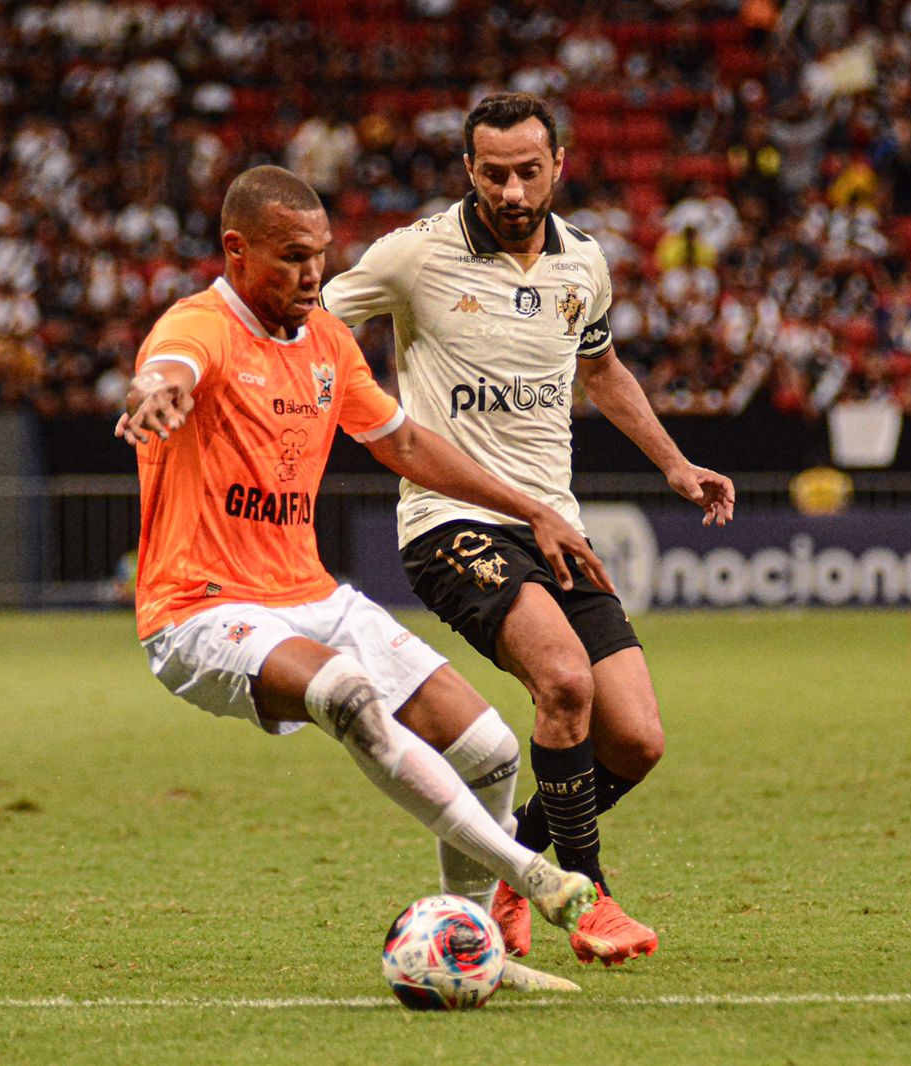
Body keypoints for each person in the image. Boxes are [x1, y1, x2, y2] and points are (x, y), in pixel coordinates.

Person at [114, 164, 609, 992]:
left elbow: (406, 446)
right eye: (291, 258)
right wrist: (155, 390)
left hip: (310, 594)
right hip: (199, 608)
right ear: (236, 252)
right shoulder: (198, 325)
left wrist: (532, 510)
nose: (314, 276)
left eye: (322, 256)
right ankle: (532, 875)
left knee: (487, 750)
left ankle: (472, 946)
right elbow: (169, 368)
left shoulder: (326, 342)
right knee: (344, 694)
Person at [321, 93, 736, 966]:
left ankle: (513, 869)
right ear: (468, 170)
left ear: (559, 166)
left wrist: (673, 462)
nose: (512, 190)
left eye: (528, 171)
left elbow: (604, 367)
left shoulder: (583, 263)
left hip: (557, 526)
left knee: (636, 739)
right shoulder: (414, 257)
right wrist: (360, 412)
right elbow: (314, 323)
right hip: (452, 522)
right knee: (564, 682)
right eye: (494, 173)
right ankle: (588, 899)